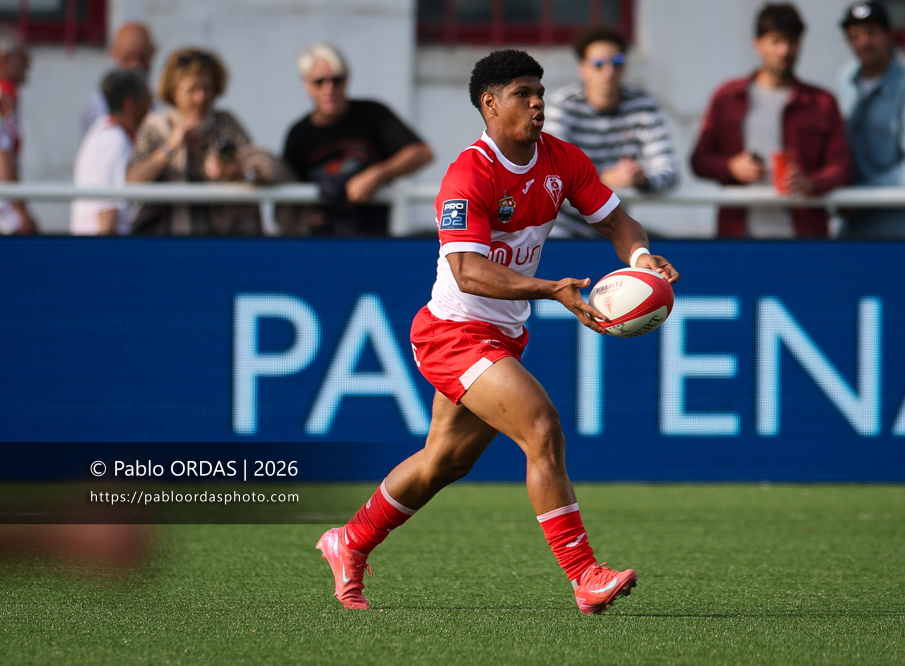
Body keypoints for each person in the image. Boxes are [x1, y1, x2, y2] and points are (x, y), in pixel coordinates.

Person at [315, 49, 680, 615]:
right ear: (489, 104)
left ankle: (350, 540)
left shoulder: (562, 159)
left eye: (540, 93)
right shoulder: (469, 174)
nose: (538, 104)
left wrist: (640, 257)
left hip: (500, 335)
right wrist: (551, 289)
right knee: (541, 426)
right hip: (452, 334)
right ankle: (585, 575)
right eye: (522, 94)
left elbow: (615, 220)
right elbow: (468, 271)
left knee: (443, 461)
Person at [690, 3, 850, 238]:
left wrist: (812, 183)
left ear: (800, 44)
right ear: (758, 44)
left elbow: (841, 165)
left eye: (791, 42)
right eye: (775, 41)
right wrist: (731, 167)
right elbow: (699, 160)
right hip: (739, 234)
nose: (784, 51)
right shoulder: (727, 97)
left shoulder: (822, 102)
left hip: (804, 234)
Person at [127, 48, 284, 235]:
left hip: (221, 239)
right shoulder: (156, 126)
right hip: (168, 240)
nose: (201, 98)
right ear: (174, 91)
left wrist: (232, 170)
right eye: (192, 90)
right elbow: (132, 179)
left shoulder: (226, 123)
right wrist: (170, 147)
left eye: (207, 89)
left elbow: (253, 163)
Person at [281, 43, 433, 236]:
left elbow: (421, 153)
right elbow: (288, 190)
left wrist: (377, 175)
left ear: (347, 79)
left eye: (336, 80)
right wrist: (305, 215)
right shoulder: (298, 134)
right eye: (319, 82)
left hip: (374, 237)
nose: (329, 88)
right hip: (322, 241)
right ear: (307, 86)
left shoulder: (373, 114)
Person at [544, 26, 678, 237]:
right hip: (561, 229)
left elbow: (669, 171)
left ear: (625, 67)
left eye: (617, 62)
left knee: (670, 252)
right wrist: (603, 177)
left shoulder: (643, 105)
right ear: (582, 69)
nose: (609, 72)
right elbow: (554, 173)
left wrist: (642, 179)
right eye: (598, 64)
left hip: (614, 225)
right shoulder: (562, 106)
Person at [836, 1, 905, 238]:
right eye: (855, 36)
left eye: (871, 33)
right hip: (852, 229)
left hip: (898, 233)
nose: (864, 42)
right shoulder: (845, 79)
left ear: (888, 35)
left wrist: (862, 195)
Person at [71, 70, 152, 235]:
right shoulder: (113, 140)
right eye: (147, 99)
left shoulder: (106, 132)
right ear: (130, 103)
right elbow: (107, 209)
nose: (150, 106)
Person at [0, 27, 37, 235]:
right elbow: (2, 155)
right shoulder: (1, 97)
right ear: (2, 59)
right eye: (23, 57)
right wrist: (21, 211)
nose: (29, 64)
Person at [80, 22, 157, 136]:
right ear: (114, 53)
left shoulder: (160, 97)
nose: (135, 65)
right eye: (128, 58)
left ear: (152, 52)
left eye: (142, 57)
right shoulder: (100, 107)